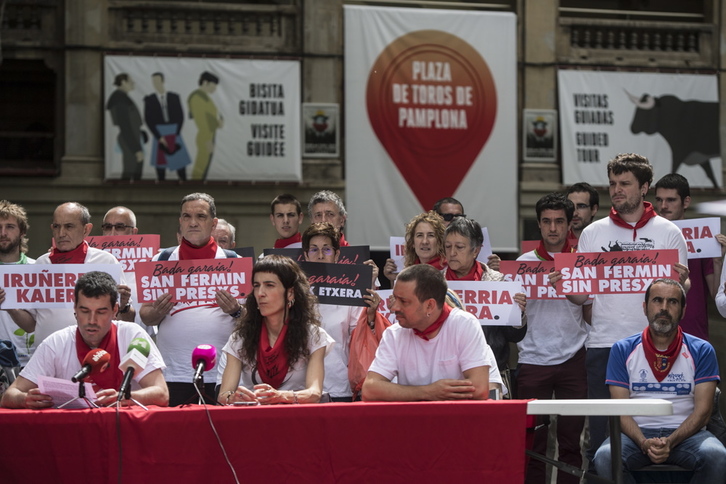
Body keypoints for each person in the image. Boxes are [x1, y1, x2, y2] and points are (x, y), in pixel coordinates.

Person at [550, 153, 690, 468]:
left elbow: (681, 295)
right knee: (601, 439)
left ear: (644, 188)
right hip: (603, 345)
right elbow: (581, 299)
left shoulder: (669, 232)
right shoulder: (592, 233)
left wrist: (685, 284)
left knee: (652, 433)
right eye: (613, 183)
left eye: (624, 183)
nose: (617, 190)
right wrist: (568, 287)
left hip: (655, 345)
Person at [593, 279, 726, 482]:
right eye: (657, 300)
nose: (664, 308)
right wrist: (644, 442)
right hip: (634, 435)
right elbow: (620, 410)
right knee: (605, 457)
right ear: (645, 307)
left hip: (688, 435)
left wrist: (671, 441)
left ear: (683, 310)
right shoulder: (622, 349)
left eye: (672, 302)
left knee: (717, 456)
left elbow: (703, 411)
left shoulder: (701, 350)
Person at [1, 271, 168, 409]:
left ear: (115, 310)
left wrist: (126, 397)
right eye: (85, 311)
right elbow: (9, 395)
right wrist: (25, 399)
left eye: (101, 312)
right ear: (75, 308)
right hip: (73, 435)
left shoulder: (133, 336)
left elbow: (161, 394)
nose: (92, 320)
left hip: (124, 432)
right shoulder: (56, 343)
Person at [139, 193, 241, 406]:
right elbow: (146, 316)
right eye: (187, 216)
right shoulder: (161, 260)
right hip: (173, 373)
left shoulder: (234, 263)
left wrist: (236, 310)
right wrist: (157, 311)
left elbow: (252, 321)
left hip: (222, 375)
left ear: (213, 224)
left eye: (200, 216)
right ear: (180, 222)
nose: (193, 222)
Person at [516, 194, 588, 484]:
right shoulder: (522, 263)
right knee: (532, 441)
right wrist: (516, 308)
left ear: (569, 223)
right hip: (533, 358)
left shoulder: (581, 260)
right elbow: (513, 321)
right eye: (547, 221)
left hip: (574, 357)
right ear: (539, 225)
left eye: (559, 221)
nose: (553, 228)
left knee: (571, 441)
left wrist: (568, 287)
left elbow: (586, 301)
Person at [0, 202, 131, 347]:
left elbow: (123, 319)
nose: (61, 233)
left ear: (86, 229)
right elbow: (30, 325)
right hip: (48, 357)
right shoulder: (41, 264)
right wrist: (10, 306)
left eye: (69, 226)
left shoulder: (106, 262)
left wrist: (124, 306)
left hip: (93, 355)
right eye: (57, 226)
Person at [361, 264, 489, 401]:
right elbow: (369, 389)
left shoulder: (464, 324)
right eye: (394, 298)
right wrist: (428, 392)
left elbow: (479, 389)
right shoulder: (394, 333)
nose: (394, 307)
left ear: (430, 306)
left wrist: (411, 394)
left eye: (404, 301)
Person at [217, 255, 333, 405]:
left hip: (297, 419)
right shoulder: (241, 337)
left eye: (269, 285)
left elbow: (314, 393)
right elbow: (223, 395)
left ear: (290, 293)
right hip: (253, 419)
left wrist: (281, 396)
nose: (260, 293)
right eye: (256, 285)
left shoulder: (313, 336)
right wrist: (232, 397)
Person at [442, 217, 527, 386]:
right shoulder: (434, 284)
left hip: (491, 374)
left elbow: (515, 336)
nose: (452, 253)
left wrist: (519, 313)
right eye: (448, 246)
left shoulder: (498, 283)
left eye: (459, 247)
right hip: (445, 375)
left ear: (475, 251)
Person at [302, 222, 382, 401]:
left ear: (337, 255)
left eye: (327, 250)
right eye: (314, 250)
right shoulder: (293, 293)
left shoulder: (350, 294)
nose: (321, 255)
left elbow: (360, 336)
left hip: (339, 387)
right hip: (299, 387)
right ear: (306, 255)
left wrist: (370, 314)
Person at [654, 173, 726, 341]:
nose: (663, 206)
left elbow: (717, 296)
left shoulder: (703, 240)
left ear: (686, 202)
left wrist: (717, 259)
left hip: (693, 332)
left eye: (671, 200)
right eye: (659, 200)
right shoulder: (645, 237)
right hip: (654, 330)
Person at [0, 201, 36, 366]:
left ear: (22, 232)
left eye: (10, 227)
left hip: (28, 361)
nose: (3, 232)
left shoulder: (37, 269)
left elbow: (34, 325)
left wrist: (9, 306)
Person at [143, 72, 192, 181]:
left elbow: (180, 116)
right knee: (161, 163)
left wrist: (176, 133)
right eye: (154, 81)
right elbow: (148, 120)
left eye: (157, 81)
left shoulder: (174, 97)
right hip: (159, 132)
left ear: (162, 81)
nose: (156, 84)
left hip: (174, 131)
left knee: (180, 162)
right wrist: (159, 136)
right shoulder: (149, 99)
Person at [383, 211, 446, 284]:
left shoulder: (449, 271)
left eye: (431, 235)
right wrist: (394, 279)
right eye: (419, 235)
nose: (424, 241)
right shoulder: (408, 272)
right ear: (412, 242)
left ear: (440, 241)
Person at [106, 73, 145, 181]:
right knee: (131, 170)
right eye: (131, 82)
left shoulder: (122, 98)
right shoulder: (119, 100)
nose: (133, 84)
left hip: (132, 137)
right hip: (128, 139)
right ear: (123, 82)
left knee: (133, 168)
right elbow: (125, 126)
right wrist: (136, 149)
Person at [188, 71, 222, 180]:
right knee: (201, 166)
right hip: (205, 135)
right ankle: (194, 187)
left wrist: (218, 122)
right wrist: (207, 139)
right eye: (213, 86)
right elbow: (201, 121)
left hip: (210, 135)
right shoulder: (197, 98)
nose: (214, 89)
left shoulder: (206, 98)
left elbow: (210, 117)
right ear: (205, 83)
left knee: (204, 166)